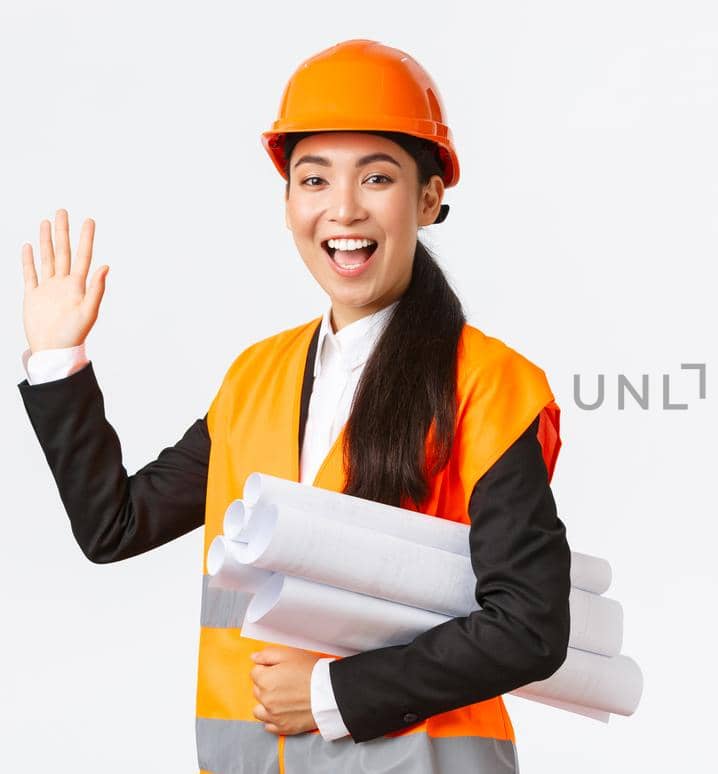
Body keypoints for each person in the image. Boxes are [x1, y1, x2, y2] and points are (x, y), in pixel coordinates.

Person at [15, 39, 570, 773]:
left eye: (377, 177)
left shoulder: (488, 383)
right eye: (314, 180)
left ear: (429, 198)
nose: (343, 209)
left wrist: (333, 693)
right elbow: (116, 526)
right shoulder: (256, 377)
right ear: (287, 204)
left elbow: (528, 626)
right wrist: (59, 361)